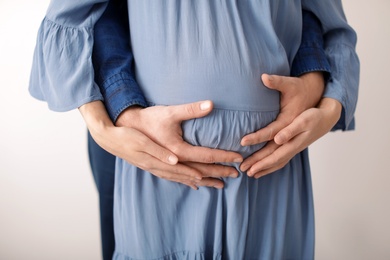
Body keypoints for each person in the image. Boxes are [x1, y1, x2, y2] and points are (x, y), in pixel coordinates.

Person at [29, 0, 359, 259]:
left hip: (273, 171)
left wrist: (324, 97)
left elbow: (323, 18)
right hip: (154, 165)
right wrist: (103, 127)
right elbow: (76, 15)